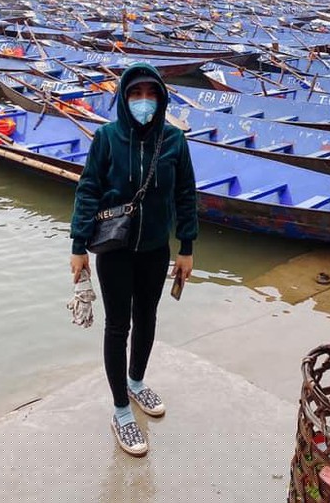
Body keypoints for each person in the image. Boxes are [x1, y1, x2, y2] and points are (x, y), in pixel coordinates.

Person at [70, 62, 198, 457]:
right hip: (115, 250)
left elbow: (186, 195)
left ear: (161, 98)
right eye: (135, 94)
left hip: (156, 249)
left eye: (150, 94)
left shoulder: (174, 141)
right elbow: (88, 189)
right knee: (117, 326)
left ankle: (136, 382)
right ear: (124, 99)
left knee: (147, 318)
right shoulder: (107, 138)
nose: (144, 101)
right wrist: (78, 246)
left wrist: (187, 247)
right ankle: (121, 410)